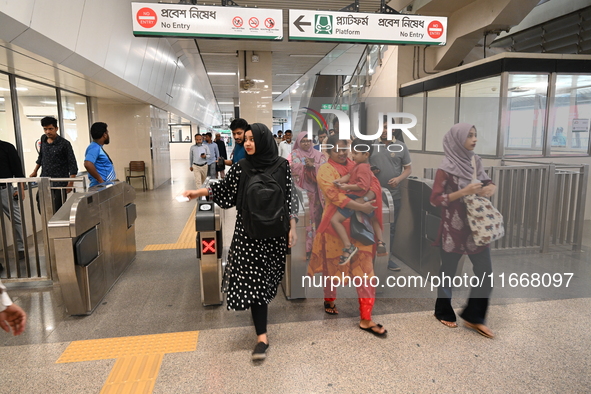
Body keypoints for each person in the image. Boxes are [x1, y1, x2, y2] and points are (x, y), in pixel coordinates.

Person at [183, 123, 297, 360]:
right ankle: (262, 337)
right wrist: (198, 193)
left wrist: (292, 227)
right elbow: (224, 191)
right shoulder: (242, 166)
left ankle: (261, 313)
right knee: (255, 284)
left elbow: (289, 196)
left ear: (263, 140)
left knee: (268, 280)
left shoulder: (282, 166)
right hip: (248, 234)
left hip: (275, 234)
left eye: (252, 139)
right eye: (245, 139)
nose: (247, 143)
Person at [308, 135, 387, 336]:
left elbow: (375, 185)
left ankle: (366, 318)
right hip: (336, 229)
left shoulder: (358, 164)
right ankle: (329, 298)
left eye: (345, 149)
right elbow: (336, 196)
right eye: (338, 150)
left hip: (360, 227)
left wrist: (367, 198)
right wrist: (362, 204)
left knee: (366, 272)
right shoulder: (325, 170)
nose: (343, 153)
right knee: (332, 268)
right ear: (329, 151)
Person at [430, 123, 496, 339]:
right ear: (458, 139)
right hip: (454, 228)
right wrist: (463, 192)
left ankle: (475, 316)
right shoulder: (445, 168)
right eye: (469, 136)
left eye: (475, 135)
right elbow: (435, 199)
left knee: (485, 273)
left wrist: (490, 187)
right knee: (448, 272)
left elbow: (486, 180)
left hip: (477, 227)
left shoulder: (475, 161)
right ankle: (442, 311)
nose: (474, 139)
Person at [332, 139, 387, 264]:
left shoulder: (362, 167)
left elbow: (363, 186)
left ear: (366, 154)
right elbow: (349, 176)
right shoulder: (359, 166)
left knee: (335, 220)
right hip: (365, 199)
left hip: (355, 198)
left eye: (356, 153)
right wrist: (340, 181)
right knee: (374, 219)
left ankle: (348, 246)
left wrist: (347, 187)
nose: (352, 156)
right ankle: (380, 241)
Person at [369, 121, 412, 271]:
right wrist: (370, 170)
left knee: (390, 228)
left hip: (393, 195)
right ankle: (370, 257)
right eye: (382, 127)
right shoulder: (372, 144)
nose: (385, 130)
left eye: (388, 127)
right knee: (371, 226)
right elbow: (361, 164)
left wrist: (399, 179)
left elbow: (408, 169)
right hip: (372, 195)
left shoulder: (401, 146)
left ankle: (387, 258)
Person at [288, 132, 327, 260]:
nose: (306, 143)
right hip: (301, 193)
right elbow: (291, 167)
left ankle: (317, 247)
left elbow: (325, 168)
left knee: (316, 219)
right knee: (305, 220)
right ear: (298, 142)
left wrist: (314, 166)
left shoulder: (319, 155)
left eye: (308, 141)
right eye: (303, 141)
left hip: (316, 194)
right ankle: (306, 248)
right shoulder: (295, 154)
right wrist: (305, 165)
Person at [29, 116, 78, 213]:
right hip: (45, 180)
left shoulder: (64, 144)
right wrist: (35, 171)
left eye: (50, 129)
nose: (47, 132)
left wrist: (70, 183)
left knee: (57, 209)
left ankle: (57, 227)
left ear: (56, 128)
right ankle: (46, 226)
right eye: (45, 129)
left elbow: (72, 163)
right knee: (41, 206)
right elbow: (41, 157)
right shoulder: (43, 139)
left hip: (59, 181)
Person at [0, 139, 26, 266]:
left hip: (5, 189)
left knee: (16, 219)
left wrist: (21, 188)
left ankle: (21, 248)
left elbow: (18, 170)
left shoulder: (7, 147)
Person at [84, 122, 116, 187]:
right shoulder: (94, 147)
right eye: (107, 132)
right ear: (104, 134)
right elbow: (88, 164)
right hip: (101, 188)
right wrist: (100, 180)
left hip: (106, 186)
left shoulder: (98, 147)